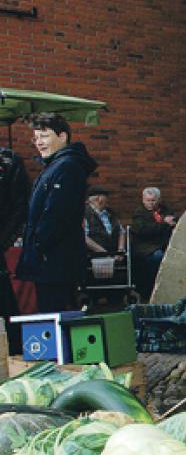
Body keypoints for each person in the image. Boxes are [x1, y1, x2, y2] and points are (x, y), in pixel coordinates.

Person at [16, 113, 98, 312]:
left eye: (44, 136)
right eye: (36, 138)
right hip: (50, 261)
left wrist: (38, 244)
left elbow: (56, 213)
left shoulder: (67, 166)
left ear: (62, 136)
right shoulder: (55, 165)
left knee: (57, 316)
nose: (39, 142)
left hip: (55, 262)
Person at [1, 146, 29, 346]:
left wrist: (2, 240)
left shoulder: (8, 161)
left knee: (5, 302)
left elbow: (20, 207)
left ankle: (14, 348)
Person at [130, 186, 177, 298]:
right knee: (158, 257)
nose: (150, 203)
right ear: (143, 200)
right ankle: (153, 289)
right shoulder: (139, 213)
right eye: (148, 200)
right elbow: (143, 230)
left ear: (159, 200)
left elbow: (173, 222)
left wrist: (172, 222)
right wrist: (164, 223)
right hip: (146, 247)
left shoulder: (166, 210)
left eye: (153, 200)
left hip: (164, 244)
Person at [83, 186, 125, 259]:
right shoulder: (85, 214)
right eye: (106, 196)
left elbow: (121, 232)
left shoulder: (110, 212)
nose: (108, 200)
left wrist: (120, 250)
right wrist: (104, 253)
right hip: (94, 257)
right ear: (99, 198)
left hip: (114, 256)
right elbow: (84, 238)